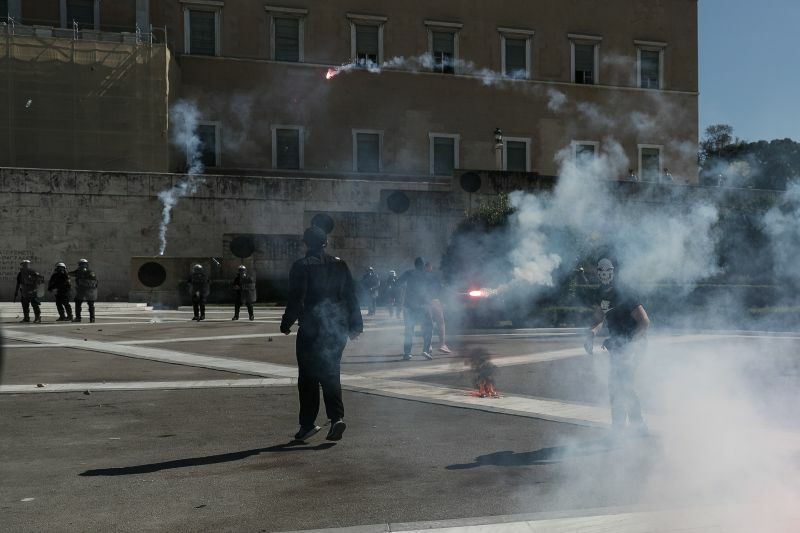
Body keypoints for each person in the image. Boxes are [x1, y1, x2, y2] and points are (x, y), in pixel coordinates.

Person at [280, 226, 362, 442]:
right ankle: (336, 418)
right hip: (337, 328)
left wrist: (286, 323)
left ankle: (307, 425)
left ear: (305, 243)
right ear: (325, 243)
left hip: (312, 328)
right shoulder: (340, 264)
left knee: (308, 378)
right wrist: (356, 325)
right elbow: (351, 295)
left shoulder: (301, 266)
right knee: (331, 372)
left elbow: (297, 298)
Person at [585, 257, 650, 436]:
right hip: (618, 346)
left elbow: (644, 322)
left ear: (614, 271)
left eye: (608, 270)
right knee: (616, 385)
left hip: (634, 345)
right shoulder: (601, 293)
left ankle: (635, 426)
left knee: (622, 384)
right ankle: (620, 428)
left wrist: (628, 343)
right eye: (601, 270)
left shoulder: (625, 292)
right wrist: (591, 333)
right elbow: (599, 318)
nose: (604, 274)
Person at [398, 257, 434, 361]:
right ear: (423, 265)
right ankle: (425, 350)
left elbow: (398, 283)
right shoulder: (427, 275)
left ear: (415, 264)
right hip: (423, 306)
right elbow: (436, 288)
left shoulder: (408, 273)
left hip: (409, 306)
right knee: (429, 327)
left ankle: (407, 353)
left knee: (409, 329)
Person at [425, 262, 451, 354]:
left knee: (427, 324)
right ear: (429, 267)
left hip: (423, 303)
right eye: (431, 267)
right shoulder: (433, 277)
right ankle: (442, 344)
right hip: (434, 301)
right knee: (441, 322)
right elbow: (440, 289)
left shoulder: (419, 278)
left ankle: (428, 345)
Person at [69, 259, 98, 323]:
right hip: (91, 290)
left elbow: (72, 274)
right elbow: (96, 282)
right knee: (91, 304)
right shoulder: (91, 272)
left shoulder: (79, 271)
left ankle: (78, 318)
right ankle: (92, 318)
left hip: (82, 290)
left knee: (78, 303)